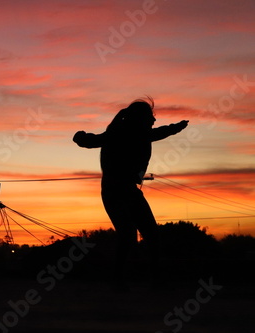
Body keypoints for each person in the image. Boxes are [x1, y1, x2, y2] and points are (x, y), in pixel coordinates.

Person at [73, 97, 188, 289]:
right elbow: (89, 141)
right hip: (117, 191)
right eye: (151, 117)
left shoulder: (126, 132)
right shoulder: (124, 133)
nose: (153, 120)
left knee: (141, 234)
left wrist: (177, 127)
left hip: (123, 190)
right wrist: (177, 127)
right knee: (138, 234)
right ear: (140, 119)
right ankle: (131, 279)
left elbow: (88, 140)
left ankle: (132, 279)